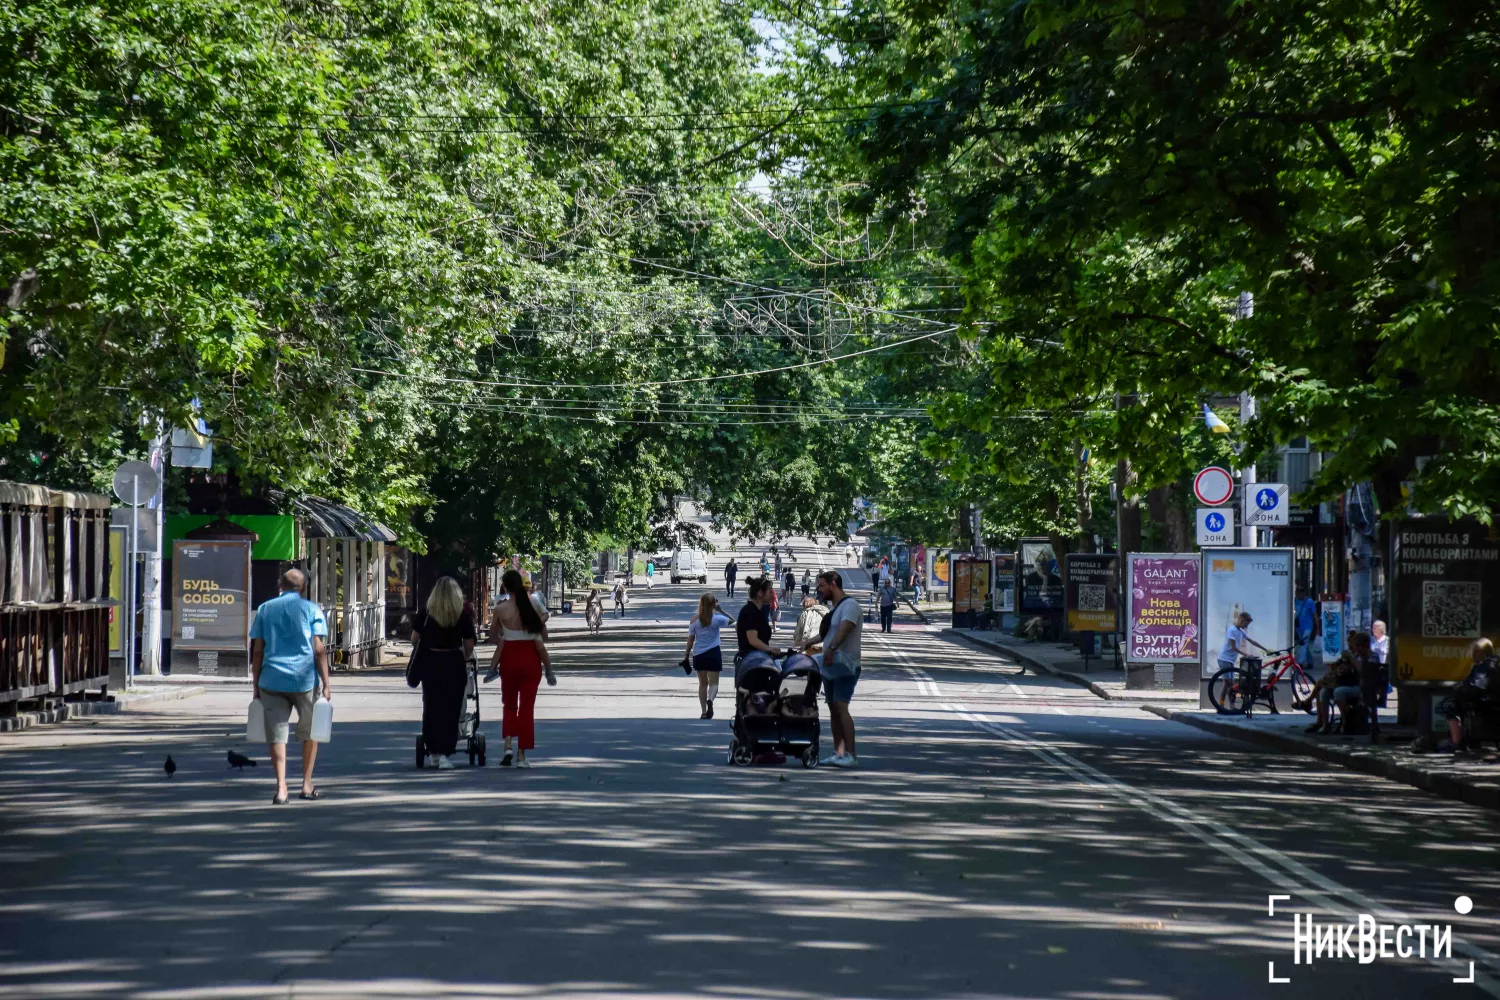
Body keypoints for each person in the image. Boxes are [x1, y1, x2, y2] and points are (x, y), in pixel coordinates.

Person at [249, 569, 330, 804]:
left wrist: (256, 685)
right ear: (303, 587)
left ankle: (281, 788)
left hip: (271, 680)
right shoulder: (311, 609)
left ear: (279, 584)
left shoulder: (265, 609)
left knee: (277, 735)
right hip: (304, 681)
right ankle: (306, 784)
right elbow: (318, 649)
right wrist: (326, 684)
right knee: (310, 733)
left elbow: (257, 650)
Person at [488, 569, 554, 767]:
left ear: (506, 587)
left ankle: (508, 744)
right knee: (526, 708)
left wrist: (505, 637)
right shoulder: (532, 602)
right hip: (530, 659)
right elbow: (545, 618)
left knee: (509, 704)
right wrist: (532, 628)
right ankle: (521, 755)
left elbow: (492, 637)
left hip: (509, 657)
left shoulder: (500, 608)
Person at [409, 577, 476, 769]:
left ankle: (433, 751)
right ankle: (446, 753)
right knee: (451, 710)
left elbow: (414, 639)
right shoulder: (461, 615)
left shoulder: (426, 614)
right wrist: (464, 656)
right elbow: (469, 644)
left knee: (431, 707)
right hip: (453, 663)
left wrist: (427, 645)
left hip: (430, 663)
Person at [816, 571, 863, 768]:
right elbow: (829, 633)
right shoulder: (836, 608)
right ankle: (839, 752)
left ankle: (851, 754)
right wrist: (808, 644)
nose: (819, 590)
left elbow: (845, 629)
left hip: (845, 665)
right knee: (833, 708)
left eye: (822, 586)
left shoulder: (850, 606)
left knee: (841, 706)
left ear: (833, 584)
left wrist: (832, 649)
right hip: (832, 665)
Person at [1439, 638, 1498, 753]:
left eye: (1475, 652)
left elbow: (1477, 687)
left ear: (1481, 652)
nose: (1473, 656)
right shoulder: (1496, 664)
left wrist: (1461, 688)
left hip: (1483, 702)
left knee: (1450, 706)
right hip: (1493, 701)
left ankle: (1456, 741)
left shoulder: (1482, 667)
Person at [1304, 632, 1368, 734]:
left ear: (1365, 645)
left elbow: (1362, 671)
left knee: (1338, 691)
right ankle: (1325, 725)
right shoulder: (1353, 655)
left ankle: (1347, 722)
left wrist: (1351, 660)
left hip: (1360, 686)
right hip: (1348, 683)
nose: (1356, 648)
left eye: (1357, 645)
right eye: (1354, 645)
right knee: (1323, 691)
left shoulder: (1370, 655)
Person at [683, 593, 732, 719]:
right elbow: (734, 621)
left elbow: (690, 640)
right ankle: (710, 699)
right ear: (713, 604)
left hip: (699, 655)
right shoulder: (717, 618)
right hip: (713, 653)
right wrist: (721, 610)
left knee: (702, 684)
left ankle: (704, 712)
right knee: (714, 683)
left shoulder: (694, 620)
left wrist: (686, 656)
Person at [735, 577, 781, 667]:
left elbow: (737, 628)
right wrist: (770, 649)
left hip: (755, 661)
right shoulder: (750, 612)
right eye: (770, 592)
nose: (772, 595)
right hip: (751, 664)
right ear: (760, 593)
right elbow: (753, 640)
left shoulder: (756, 611)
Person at [1216, 610, 1271, 676]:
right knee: (1228, 682)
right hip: (1224, 659)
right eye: (1246, 624)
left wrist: (1265, 649)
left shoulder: (1241, 631)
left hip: (1230, 660)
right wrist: (1246, 654)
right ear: (1242, 621)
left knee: (1230, 683)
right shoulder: (1232, 630)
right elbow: (1234, 648)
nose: (1246, 627)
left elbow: (1252, 642)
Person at [1295, 588, 1317, 665]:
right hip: (1299, 627)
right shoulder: (1295, 601)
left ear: (1303, 593)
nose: (1296, 595)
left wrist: (1317, 627)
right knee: (1304, 644)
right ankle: (1310, 661)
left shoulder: (1310, 602)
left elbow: (1314, 615)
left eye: (1298, 594)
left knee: (1303, 644)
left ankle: (1300, 663)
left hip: (1308, 626)